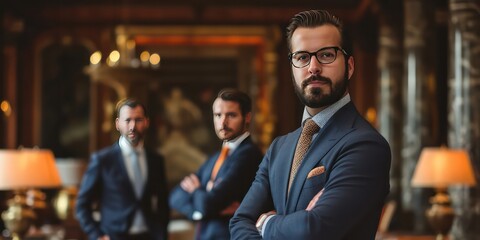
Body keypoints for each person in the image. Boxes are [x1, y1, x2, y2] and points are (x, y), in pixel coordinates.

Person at [230, 9, 391, 240]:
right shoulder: (279, 148)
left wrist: (266, 223)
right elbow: (240, 221)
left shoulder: (366, 145)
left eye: (326, 55)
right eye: (302, 57)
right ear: (293, 68)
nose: (313, 67)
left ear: (350, 66)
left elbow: (314, 229)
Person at [169, 88, 263, 240]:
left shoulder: (249, 155)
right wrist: (199, 212)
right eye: (218, 115)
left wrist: (195, 191)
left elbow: (208, 204)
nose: (223, 122)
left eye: (231, 115)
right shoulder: (217, 157)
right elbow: (175, 196)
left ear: (247, 117)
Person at [76, 98, 169, 240]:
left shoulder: (156, 160)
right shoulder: (103, 160)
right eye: (127, 120)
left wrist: (162, 233)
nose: (132, 126)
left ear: (146, 122)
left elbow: (163, 203)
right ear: (118, 124)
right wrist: (97, 235)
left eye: (138, 120)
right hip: (114, 236)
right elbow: (82, 205)